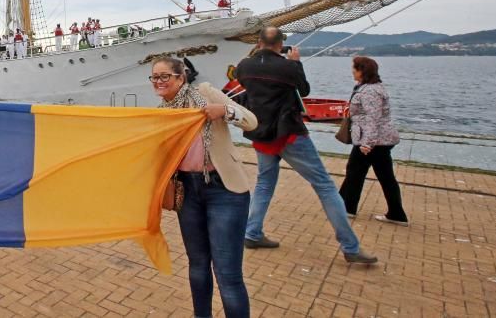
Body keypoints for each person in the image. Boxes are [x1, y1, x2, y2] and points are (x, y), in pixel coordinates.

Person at [236, 27, 378, 264]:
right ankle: (350, 247)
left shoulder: (244, 66)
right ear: (281, 44)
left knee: (264, 184)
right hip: (289, 133)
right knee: (324, 185)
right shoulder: (288, 67)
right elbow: (304, 90)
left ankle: (252, 232)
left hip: (261, 132)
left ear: (259, 42)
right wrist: (296, 63)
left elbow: (246, 83)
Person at [151, 56, 257, 318]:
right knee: (197, 265)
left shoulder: (205, 93)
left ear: (181, 77)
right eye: (154, 77)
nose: (159, 81)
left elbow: (252, 121)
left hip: (224, 190)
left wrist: (225, 112)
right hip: (188, 192)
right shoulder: (161, 114)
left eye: (165, 76)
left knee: (227, 273)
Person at [339, 56, 408, 226]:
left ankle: (346, 207)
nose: (352, 71)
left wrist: (367, 143)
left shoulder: (370, 91)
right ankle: (396, 213)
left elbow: (372, 118)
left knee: (355, 172)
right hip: (379, 140)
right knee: (384, 176)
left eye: (354, 68)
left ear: (362, 71)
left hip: (372, 141)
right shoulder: (371, 88)